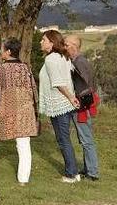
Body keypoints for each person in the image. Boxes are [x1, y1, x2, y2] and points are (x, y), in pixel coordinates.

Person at [38, 29, 82, 183]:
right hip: (64, 104)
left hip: (60, 104)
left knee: (63, 140)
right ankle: (74, 172)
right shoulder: (64, 57)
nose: (41, 42)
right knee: (64, 139)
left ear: (51, 42)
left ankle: (72, 174)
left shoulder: (51, 59)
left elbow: (58, 83)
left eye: (44, 40)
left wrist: (71, 98)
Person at [0, 38, 38, 185]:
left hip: (6, 109)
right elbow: (33, 90)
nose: (0, 51)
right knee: (24, 145)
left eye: (2, 49)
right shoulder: (26, 68)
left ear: (8, 52)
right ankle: (23, 179)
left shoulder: (1, 69)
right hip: (25, 110)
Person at [64, 34, 100, 181]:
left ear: (74, 46)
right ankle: (88, 168)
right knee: (85, 138)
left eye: (66, 45)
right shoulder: (79, 61)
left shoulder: (79, 63)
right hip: (83, 105)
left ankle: (92, 172)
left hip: (82, 106)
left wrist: (77, 102)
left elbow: (84, 87)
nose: (64, 47)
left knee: (86, 139)